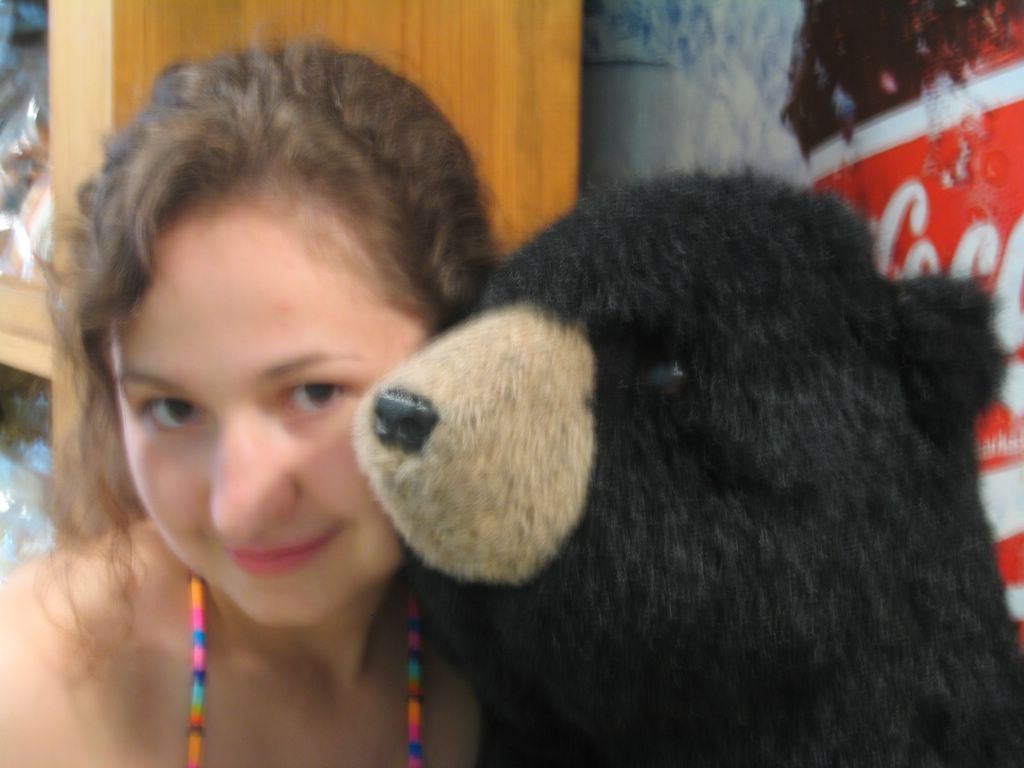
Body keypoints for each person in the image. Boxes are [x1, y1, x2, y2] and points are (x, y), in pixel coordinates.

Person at [0, 39, 496, 767]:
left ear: (463, 353)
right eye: (173, 409)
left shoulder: (525, 657)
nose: (238, 508)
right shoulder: (29, 694)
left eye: (313, 394)